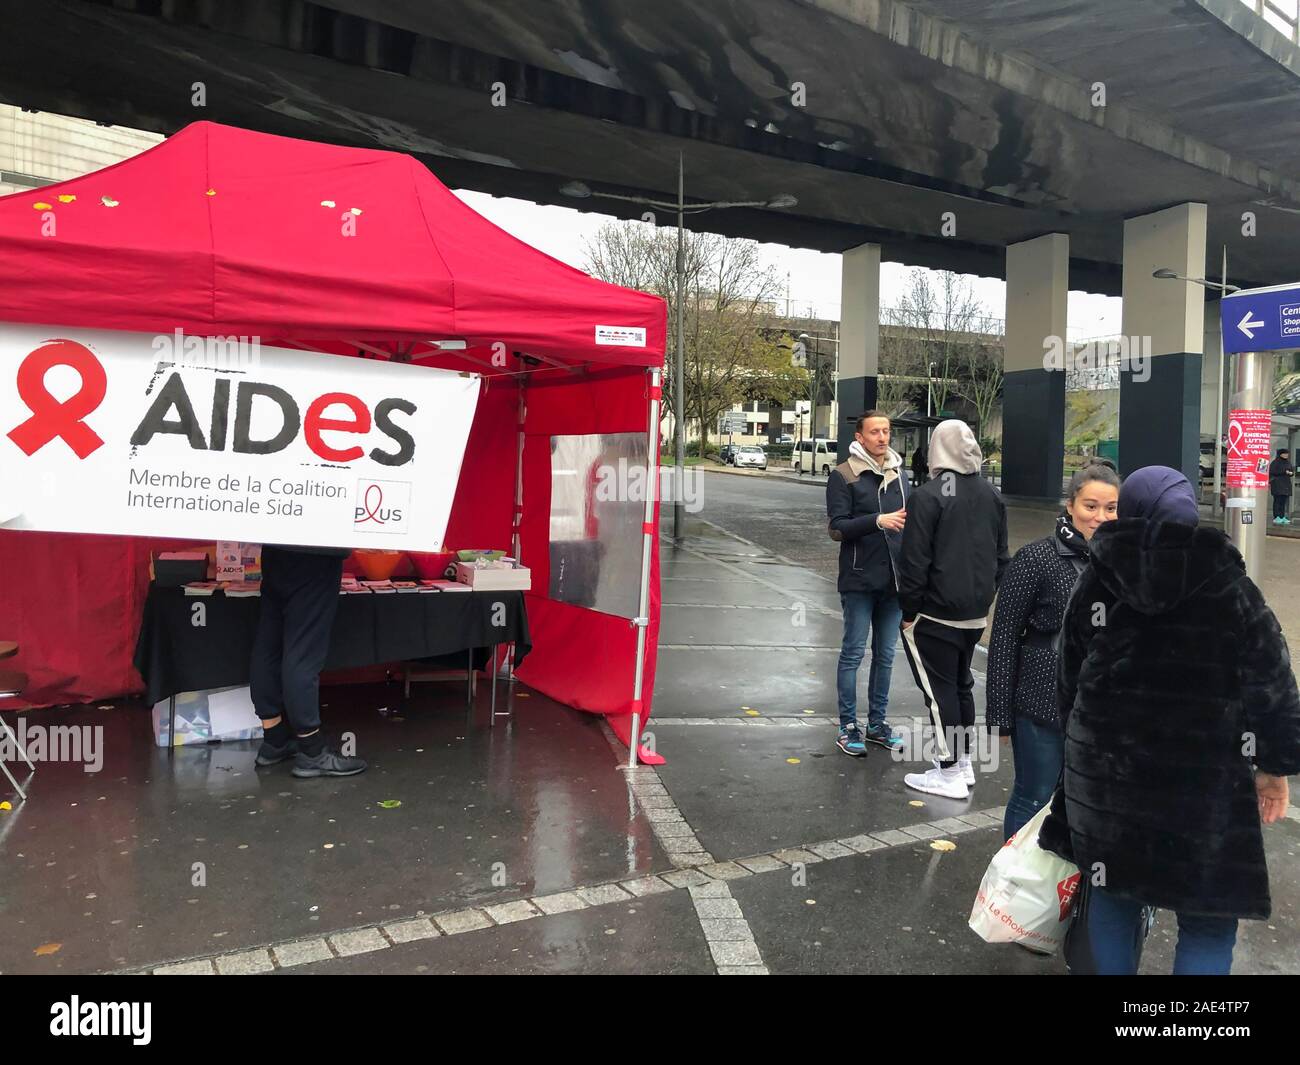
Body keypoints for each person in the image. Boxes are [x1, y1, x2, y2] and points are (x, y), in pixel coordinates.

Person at [1039, 466, 1300, 975]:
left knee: (1114, 902)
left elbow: (1068, 683)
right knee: (1207, 921)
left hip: (1112, 789)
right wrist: (1274, 769)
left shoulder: (1097, 580)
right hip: (1207, 794)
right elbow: (1273, 688)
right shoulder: (1230, 585)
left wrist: (1081, 761)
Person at [987, 464, 1120, 840]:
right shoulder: (1035, 559)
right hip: (1040, 705)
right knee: (1034, 797)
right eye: (1090, 506)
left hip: (1098, 712)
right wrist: (999, 713)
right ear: (1070, 505)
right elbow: (1005, 637)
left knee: (1080, 801)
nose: (1100, 517)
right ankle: (1016, 884)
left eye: (1110, 508)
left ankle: (1063, 884)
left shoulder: (1122, 563)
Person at [896, 419, 1009, 798]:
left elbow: (914, 561)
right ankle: (962, 763)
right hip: (975, 613)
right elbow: (1001, 556)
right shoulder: (991, 495)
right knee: (961, 685)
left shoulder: (927, 496)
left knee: (938, 691)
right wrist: (986, 596)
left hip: (934, 613)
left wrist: (909, 610)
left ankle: (947, 772)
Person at [826, 411, 909, 756]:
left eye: (886, 431)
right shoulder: (843, 475)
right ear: (859, 437)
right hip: (859, 581)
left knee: (886, 655)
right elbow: (837, 528)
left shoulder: (899, 475)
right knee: (853, 654)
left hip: (893, 585)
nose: (882, 437)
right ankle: (848, 727)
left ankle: (877, 724)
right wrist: (877, 521)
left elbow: (911, 526)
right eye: (875, 432)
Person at [251, 544, 368, 778]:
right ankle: (312, 751)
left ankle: (274, 740)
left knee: (270, 643)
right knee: (303, 650)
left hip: (276, 548)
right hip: (315, 553)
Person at [1269, 448, 1293, 525]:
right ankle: (1276, 517)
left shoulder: (1288, 462)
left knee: (1283, 501)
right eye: (1285, 453)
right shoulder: (1275, 462)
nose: (1286, 455)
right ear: (1280, 454)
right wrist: (1284, 472)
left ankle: (1282, 516)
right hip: (1277, 484)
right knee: (1277, 501)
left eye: (1287, 453)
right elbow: (1272, 472)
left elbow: (1292, 471)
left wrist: (1291, 473)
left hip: (1286, 484)